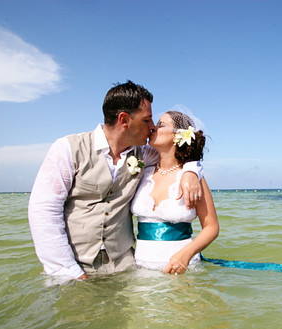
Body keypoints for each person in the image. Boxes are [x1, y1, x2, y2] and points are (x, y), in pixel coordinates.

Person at [28, 81, 203, 281]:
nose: (152, 126)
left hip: (125, 266)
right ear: (124, 119)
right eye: (147, 120)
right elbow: (44, 211)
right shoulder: (67, 148)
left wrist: (191, 170)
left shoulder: (144, 154)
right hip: (75, 266)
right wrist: (68, 271)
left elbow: (176, 155)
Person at [131, 111, 219, 275]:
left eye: (161, 125)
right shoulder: (143, 172)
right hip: (141, 269)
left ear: (178, 135)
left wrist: (185, 255)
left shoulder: (193, 178)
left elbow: (211, 227)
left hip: (181, 269)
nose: (152, 128)